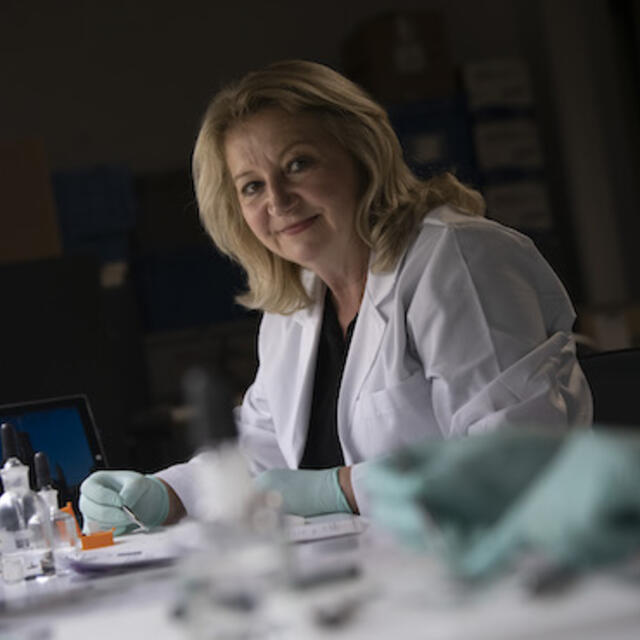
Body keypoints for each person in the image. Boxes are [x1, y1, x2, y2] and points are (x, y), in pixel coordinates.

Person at [79, 60, 592, 534]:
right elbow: (263, 450)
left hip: (509, 570)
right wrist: (165, 493)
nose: (277, 200)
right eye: (252, 186)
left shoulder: (455, 257)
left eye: (298, 164)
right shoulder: (298, 300)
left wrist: (341, 488)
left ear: (360, 155)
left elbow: (515, 458)